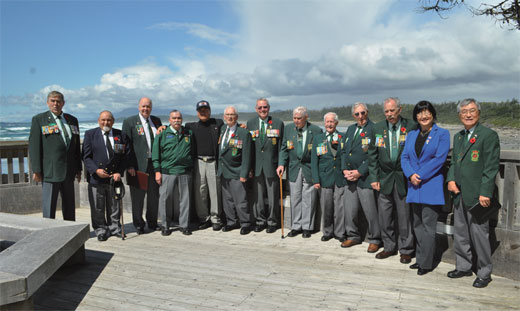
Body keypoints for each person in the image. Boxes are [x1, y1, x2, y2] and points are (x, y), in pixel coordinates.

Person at [446, 98, 500, 288]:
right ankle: (463, 266)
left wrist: (486, 192)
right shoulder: (459, 136)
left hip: (478, 196)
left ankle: (484, 272)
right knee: (460, 233)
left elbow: (491, 167)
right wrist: (450, 179)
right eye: (464, 112)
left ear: (478, 113)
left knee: (480, 234)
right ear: (460, 115)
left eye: (471, 111)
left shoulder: (488, 135)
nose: (468, 115)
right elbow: (453, 163)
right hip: (459, 194)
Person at [401, 101, 450, 275]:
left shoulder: (442, 134)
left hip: (430, 185)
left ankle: (426, 263)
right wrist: (410, 175)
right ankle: (420, 258)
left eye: (427, 112)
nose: (423, 116)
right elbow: (405, 157)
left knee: (429, 227)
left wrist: (419, 175)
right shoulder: (412, 134)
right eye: (420, 113)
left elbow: (439, 158)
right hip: (414, 186)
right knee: (417, 225)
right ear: (416, 116)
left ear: (433, 114)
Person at [368, 97, 416, 264]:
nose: (389, 114)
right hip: (384, 178)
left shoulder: (411, 126)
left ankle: (406, 250)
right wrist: (373, 177)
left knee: (405, 216)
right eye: (386, 111)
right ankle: (389, 247)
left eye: (392, 110)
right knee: (385, 215)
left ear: (400, 109)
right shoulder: (377, 128)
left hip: (404, 178)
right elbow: (372, 156)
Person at [29, 91, 82, 221]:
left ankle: (70, 232)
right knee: (49, 207)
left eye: (58, 101)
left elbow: (76, 147)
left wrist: (78, 169)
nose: (55, 104)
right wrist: (36, 169)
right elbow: (34, 146)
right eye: (52, 101)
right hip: (50, 171)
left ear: (63, 103)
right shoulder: (39, 120)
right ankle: (48, 233)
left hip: (69, 171)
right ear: (47, 103)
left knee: (69, 206)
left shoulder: (72, 120)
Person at [82, 111, 130, 241]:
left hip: (114, 177)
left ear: (113, 121)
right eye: (103, 120)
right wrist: (96, 170)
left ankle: (115, 228)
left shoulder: (121, 135)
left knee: (114, 205)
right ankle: (101, 230)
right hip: (97, 177)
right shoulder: (90, 135)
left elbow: (125, 157)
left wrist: (119, 172)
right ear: (98, 121)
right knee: (98, 206)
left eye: (109, 120)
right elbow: (86, 157)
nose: (106, 123)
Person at [277, 106, 323, 238]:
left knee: (308, 198)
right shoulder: (289, 128)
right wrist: (281, 164)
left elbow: (319, 152)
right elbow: (284, 149)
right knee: (295, 198)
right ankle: (296, 226)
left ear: (306, 117)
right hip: (294, 168)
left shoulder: (316, 130)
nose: (296, 121)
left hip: (309, 168)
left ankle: (307, 227)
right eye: (294, 118)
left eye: (299, 118)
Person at [341, 103, 381, 252]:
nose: (360, 116)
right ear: (353, 116)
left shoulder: (374, 129)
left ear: (367, 112)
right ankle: (353, 235)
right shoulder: (350, 129)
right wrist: (345, 169)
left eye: (363, 113)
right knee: (350, 210)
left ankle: (375, 238)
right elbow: (344, 151)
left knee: (370, 211)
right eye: (357, 114)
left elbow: (375, 155)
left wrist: (360, 171)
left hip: (365, 177)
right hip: (349, 177)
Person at [122, 97, 162, 234]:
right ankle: (138, 224)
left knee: (153, 196)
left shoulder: (156, 121)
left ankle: (152, 222)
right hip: (137, 166)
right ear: (139, 107)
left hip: (153, 164)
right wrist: (129, 165)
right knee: (138, 198)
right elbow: (126, 145)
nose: (146, 109)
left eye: (148, 106)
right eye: (143, 106)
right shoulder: (130, 122)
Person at [153, 110, 195, 237]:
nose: (177, 120)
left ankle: (184, 225)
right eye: (174, 118)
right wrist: (157, 171)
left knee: (185, 200)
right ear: (169, 120)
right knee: (165, 199)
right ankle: (165, 225)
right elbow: (156, 155)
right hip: (167, 172)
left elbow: (193, 151)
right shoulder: (162, 134)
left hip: (184, 171)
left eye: (179, 118)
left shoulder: (189, 133)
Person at [185, 100, 225, 231]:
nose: (204, 112)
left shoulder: (217, 123)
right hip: (199, 162)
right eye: (201, 111)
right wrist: (162, 128)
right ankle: (203, 218)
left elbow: (230, 127)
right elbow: (176, 128)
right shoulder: (190, 127)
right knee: (200, 192)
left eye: (206, 110)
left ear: (210, 111)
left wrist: (241, 126)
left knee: (215, 192)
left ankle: (216, 219)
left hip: (213, 162)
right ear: (197, 113)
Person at [247, 98, 285, 233]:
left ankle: (272, 222)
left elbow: (282, 147)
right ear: (256, 109)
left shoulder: (278, 123)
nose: (263, 110)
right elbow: (248, 148)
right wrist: (249, 167)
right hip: (256, 166)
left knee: (273, 196)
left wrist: (281, 164)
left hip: (272, 166)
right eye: (260, 107)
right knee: (258, 197)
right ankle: (260, 221)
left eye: (265, 107)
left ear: (269, 108)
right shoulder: (250, 123)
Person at [311, 112, 347, 242]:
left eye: (332, 122)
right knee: (326, 206)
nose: (329, 124)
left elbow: (345, 157)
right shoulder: (318, 138)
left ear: (336, 123)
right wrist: (316, 179)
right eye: (327, 122)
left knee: (340, 207)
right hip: (324, 177)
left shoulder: (343, 137)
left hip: (339, 177)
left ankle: (339, 232)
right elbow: (314, 161)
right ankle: (327, 231)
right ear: (324, 123)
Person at [217, 106, 252, 235]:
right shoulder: (222, 129)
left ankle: (245, 223)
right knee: (227, 200)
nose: (230, 117)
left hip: (237, 171)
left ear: (237, 117)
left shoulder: (244, 133)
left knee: (240, 200)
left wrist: (244, 173)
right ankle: (231, 221)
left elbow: (247, 155)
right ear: (224, 116)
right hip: (224, 170)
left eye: (232, 114)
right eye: (227, 114)